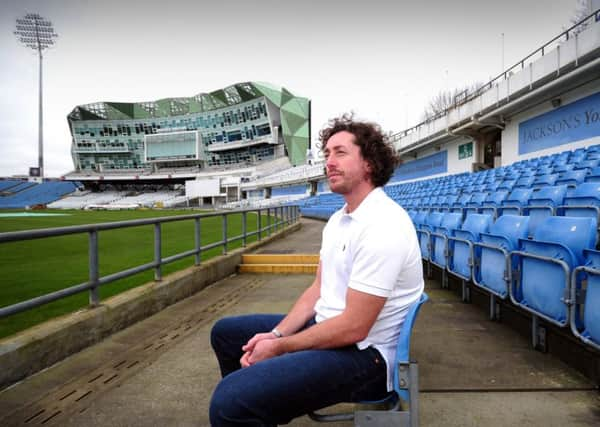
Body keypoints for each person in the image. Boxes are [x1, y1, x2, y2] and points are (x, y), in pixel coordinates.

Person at [209, 114, 424, 426]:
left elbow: (354, 327)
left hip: (367, 357)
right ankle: (259, 401)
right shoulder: (340, 219)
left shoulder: (384, 225)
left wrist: (280, 347)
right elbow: (318, 289)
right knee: (226, 334)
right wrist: (276, 334)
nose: (329, 162)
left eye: (340, 152)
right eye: (326, 154)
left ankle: (249, 402)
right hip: (331, 329)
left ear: (369, 163)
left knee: (229, 403)